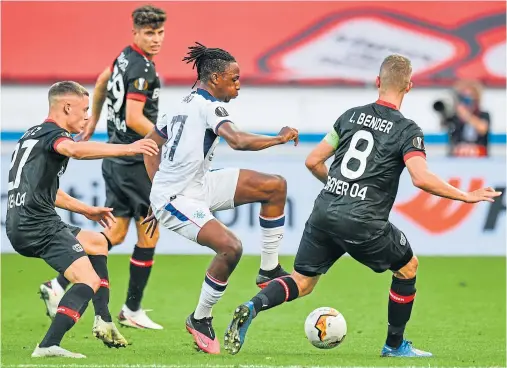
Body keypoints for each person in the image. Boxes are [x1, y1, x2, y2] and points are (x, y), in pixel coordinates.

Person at [223, 55, 502, 357]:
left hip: (326, 210)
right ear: (409, 86)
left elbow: (312, 161)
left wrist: (340, 190)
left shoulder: (350, 116)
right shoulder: (407, 130)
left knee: (303, 281)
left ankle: (254, 305)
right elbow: (420, 178)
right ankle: (394, 346)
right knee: (408, 268)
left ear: (378, 82)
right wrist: (466, 196)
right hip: (363, 220)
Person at [142, 42, 299, 354]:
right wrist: (279, 138)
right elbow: (238, 141)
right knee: (230, 247)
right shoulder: (209, 106)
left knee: (274, 186)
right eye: (234, 78)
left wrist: (156, 184)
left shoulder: (180, 104)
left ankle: (269, 268)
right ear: (214, 79)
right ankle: (200, 317)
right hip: (177, 196)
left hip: (198, 184)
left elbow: (150, 144)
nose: (238, 84)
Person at [6, 81, 159, 358]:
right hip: (37, 224)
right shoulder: (56, 136)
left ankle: (104, 319)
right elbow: (75, 150)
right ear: (67, 107)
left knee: (98, 243)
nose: (88, 116)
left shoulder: (33, 134)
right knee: (88, 280)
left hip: (23, 220)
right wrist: (129, 148)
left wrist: (86, 210)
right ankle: (48, 345)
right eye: (84, 109)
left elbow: (46, 191)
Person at [40, 5, 167, 330]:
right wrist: (169, 139)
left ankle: (57, 283)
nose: (156, 39)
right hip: (133, 158)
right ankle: (132, 309)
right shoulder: (143, 69)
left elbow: (101, 81)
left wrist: (94, 118)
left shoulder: (125, 56)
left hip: (116, 159)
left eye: (160, 32)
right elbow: (134, 118)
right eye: (149, 33)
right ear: (136, 32)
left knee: (117, 232)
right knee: (150, 230)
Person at [435, 80, 491, 157]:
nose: (466, 101)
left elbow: (482, 128)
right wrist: (445, 112)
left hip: (478, 156)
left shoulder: (483, 115)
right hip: (457, 157)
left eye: (469, 97)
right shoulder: (454, 117)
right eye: (463, 97)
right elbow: (443, 127)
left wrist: (465, 114)